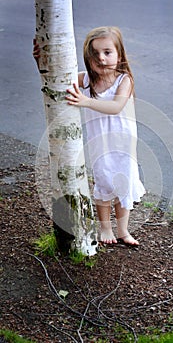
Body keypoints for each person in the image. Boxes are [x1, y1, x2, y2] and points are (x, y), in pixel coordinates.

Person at [34, 26, 145, 246]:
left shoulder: (124, 80)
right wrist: (41, 62)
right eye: (95, 55)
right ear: (88, 58)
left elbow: (115, 106)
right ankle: (105, 228)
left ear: (119, 55)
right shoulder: (85, 81)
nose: (102, 59)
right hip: (100, 144)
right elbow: (56, 80)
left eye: (107, 52)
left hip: (123, 144)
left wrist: (85, 101)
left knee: (124, 183)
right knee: (104, 183)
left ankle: (123, 230)